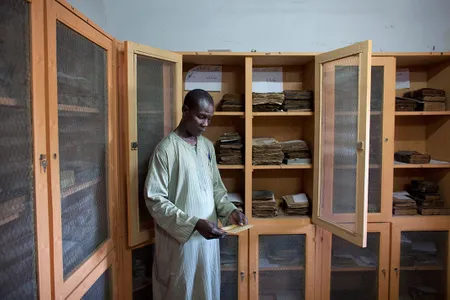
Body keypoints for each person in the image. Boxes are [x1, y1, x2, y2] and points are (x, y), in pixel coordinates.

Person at [144, 89, 248, 300]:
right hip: (180, 245)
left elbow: (217, 189)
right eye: (201, 116)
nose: (205, 124)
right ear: (185, 111)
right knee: (181, 291)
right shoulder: (165, 150)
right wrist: (193, 223)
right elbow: (155, 200)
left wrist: (230, 212)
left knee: (206, 289)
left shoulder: (207, 147)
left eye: (209, 118)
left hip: (206, 243)